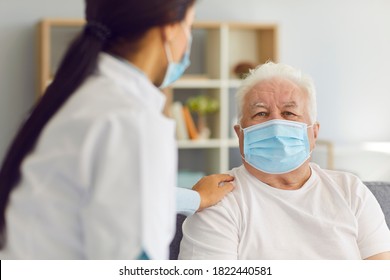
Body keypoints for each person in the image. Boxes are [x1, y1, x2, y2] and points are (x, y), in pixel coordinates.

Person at [0, 0, 234, 260]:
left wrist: (195, 200)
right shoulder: (131, 119)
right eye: (189, 26)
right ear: (169, 27)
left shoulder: (72, 98)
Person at [179, 62, 390, 260]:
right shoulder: (218, 200)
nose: (277, 125)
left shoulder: (351, 191)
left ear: (314, 133)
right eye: (261, 113)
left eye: (289, 113)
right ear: (240, 133)